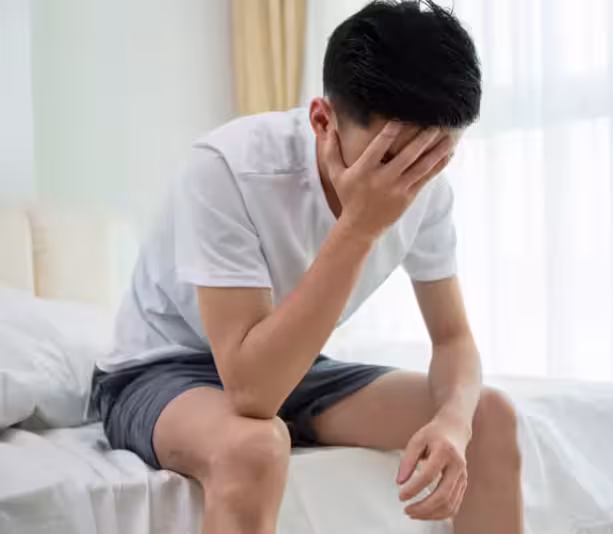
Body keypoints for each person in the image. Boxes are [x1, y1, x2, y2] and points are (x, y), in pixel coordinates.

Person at [89, 1, 522, 533]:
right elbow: (252, 393)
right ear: (323, 121)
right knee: (255, 447)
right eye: (392, 160)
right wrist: (358, 229)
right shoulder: (228, 169)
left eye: (432, 161)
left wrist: (453, 425)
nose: (409, 185)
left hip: (289, 365)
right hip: (161, 370)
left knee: (488, 415)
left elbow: (453, 340)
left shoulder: (426, 187)